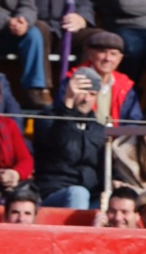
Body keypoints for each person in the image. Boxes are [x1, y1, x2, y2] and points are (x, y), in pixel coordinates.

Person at [35, 67, 106, 209]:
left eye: (92, 94)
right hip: (54, 192)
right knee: (78, 193)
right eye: (82, 92)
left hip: (93, 195)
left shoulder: (100, 129)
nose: (86, 99)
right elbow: (58, 141)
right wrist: (68, 102)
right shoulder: (47, 118)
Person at [56, 30, 143, 125]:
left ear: (120, 58)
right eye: (103, 52)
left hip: (118, 138)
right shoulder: (75, 81)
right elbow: (61, 115)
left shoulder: (125, 85)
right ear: (90, 54)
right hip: (82, 136)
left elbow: (134, 121)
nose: (108, 58)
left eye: (113, 54)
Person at [29, 0, 97, 63]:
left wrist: (82, 19)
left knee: (96, 38)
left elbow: (85, 3)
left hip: (63, 30)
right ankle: (44, 80)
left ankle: (83, 78)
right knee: (39, 29)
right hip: (34, 28)